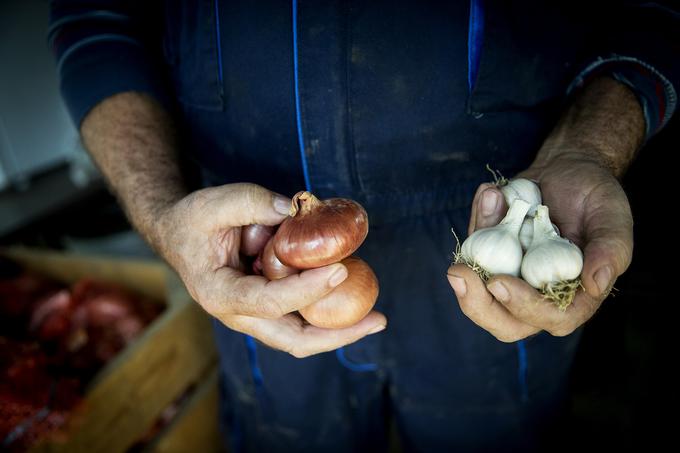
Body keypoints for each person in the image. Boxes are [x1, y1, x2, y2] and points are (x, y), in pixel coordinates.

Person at [49, 1, 678, 451]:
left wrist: (586, 149)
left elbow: (650, 10)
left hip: (484, 237)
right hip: (250, 255)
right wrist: (160, 210)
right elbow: (96, 21)